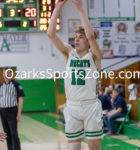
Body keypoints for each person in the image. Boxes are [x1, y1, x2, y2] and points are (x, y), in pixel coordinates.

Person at [47, 0, 103, 150]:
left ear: (88, 41)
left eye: (81, 37)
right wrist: (57, 7)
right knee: (74, 147)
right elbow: (50, 34)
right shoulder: (68, 52)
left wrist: (80, 9)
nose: (76, 39)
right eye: (76, 36)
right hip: (71, 105)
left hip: (90, 104)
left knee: (94, 146)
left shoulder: (95, 56)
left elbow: (91, 36)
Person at [0, 68, 24, 150]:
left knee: (13, 133)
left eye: (7, 73)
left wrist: (19, 113)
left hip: (12, 111)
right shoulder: (1, 86)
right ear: (3, 75)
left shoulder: (16, 85)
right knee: (7, 133)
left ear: (10, 74)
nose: (5, 75)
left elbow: (20, 99)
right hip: (2, 111)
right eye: (4, 73)